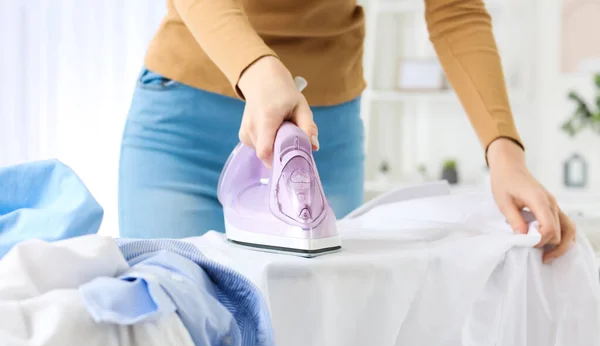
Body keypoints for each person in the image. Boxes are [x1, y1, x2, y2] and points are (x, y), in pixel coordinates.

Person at [118, 0, 576, 263]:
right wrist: (256, 70)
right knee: (178, 337)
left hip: (320, 136)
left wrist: (505, 152)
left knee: (318, 343)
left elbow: (455, 10)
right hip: (187, 124)